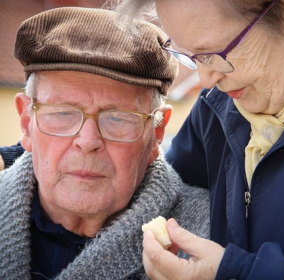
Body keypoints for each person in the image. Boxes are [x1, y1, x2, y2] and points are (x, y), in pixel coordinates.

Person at [115, 0, 284, 279]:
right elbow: (173, 184)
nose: (206, 80)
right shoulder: (218, 104)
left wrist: (237, 273)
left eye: (218, 52)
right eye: (193, 56)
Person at [0, 7, 210, 280]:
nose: (88, 142)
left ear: (157, 133)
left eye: (118, 118)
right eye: (63, 113)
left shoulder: (210, 238)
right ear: (27, 123)